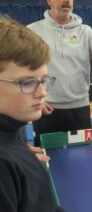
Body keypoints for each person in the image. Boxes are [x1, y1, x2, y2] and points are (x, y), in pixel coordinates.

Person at [27, 0, 92, 146]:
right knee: (47, 161)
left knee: (82, 161)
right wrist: (33, 98)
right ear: (49, 0)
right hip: (46, 109)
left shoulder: (85, 32)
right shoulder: (33, 31)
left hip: (80, 110)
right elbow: (19, 70)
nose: (67, 0)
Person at [0, 16, 65, 212]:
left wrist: (21, 152)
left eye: (43, 80)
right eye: (27, 82)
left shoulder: (14, 128)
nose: (42, 92)